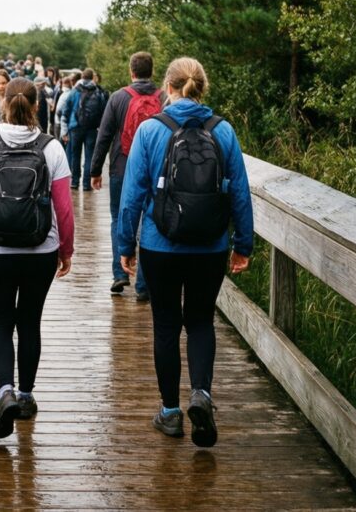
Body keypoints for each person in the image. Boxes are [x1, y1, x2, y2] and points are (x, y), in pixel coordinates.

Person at [117, 57, 253, 447]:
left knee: (165, 325)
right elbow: (240, 193)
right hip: (210, 246)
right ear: (202, 88)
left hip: (160, 246)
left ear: (168, 88)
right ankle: (202, 396)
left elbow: (132, 197)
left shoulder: (150, 130)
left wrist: (127, 246)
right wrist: (242, 244)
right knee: (199, 322)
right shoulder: (223, 131)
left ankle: (171, 413)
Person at [0, 77, 75, 439]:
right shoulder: (51, 147)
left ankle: (4, 391)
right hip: (41, 248)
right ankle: (25, 395)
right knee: (29, 322)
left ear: (2, 103)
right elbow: (65, 208)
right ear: (37, 106)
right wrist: (66, 251)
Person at [90, 52, 165, 302]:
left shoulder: (118, 97)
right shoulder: (164, 98)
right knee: (149, 224)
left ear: (131, 71)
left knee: (117, 219)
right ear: (152, 71)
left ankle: (119, 273)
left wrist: (95, 169)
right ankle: (144, 285)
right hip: (156, 172)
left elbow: (104, 136)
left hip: (122, 168)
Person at [61, 68, 108, 191]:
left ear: (82, 77)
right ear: (92, 77)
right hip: (92, 129)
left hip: (75, 127)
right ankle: (87, 184)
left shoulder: (74, 91)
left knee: (75, 155)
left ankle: (75, 182)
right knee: (89, 156)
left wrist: (64, 130)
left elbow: (65, 111)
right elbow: (103, 111)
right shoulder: (98, 92)